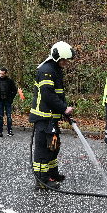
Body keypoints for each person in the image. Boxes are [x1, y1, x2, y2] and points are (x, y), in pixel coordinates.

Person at [29, 41, 75, 188]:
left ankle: (52, 173)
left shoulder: (55, 70)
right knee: (43, 149)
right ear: (56, 56)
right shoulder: (46, 71)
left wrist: (64, 111)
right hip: (43, 118)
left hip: (52, 119)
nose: (66, 63)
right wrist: (63, 108)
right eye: (64, 60)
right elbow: (48, 95)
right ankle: (42, 180)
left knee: (54, 146)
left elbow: (59, 94)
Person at [0, 67, 19, 137]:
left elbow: (14, 90)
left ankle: (9, 130)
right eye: (0, 73)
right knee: (0, 116)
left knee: (9, 116)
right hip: (0, 100)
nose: (1, 75)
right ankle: (0, 131)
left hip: (7, 101)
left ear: (5, 73)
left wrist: (10, 99)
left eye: (2, 74)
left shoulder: (9, 81)